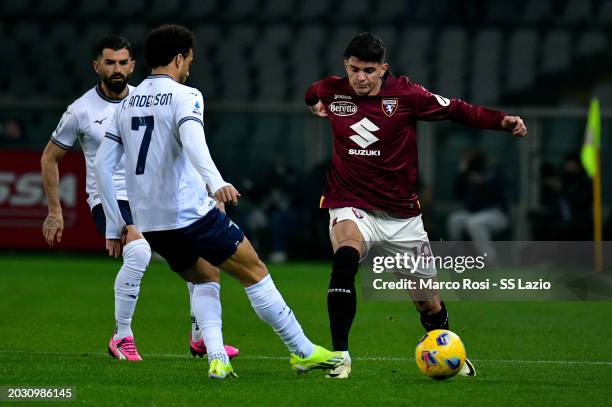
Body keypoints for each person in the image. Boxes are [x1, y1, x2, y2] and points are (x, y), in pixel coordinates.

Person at [94, 24, 344, 379]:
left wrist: (115, 224)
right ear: (179, 58)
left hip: (151, 224)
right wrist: (216, 182)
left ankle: (217, 358)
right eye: (189, 61)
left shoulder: (125, 104)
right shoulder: (186, 95)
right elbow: (193, 139)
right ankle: (302, 350)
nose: (189, 68)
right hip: (190, 214)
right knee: (255, 271)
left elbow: (102, 165)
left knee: (205, 276)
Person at [305, 32, 527, 379]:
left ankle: (449, 349)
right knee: (346, 254)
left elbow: (457, 110)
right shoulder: (331, 89)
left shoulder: (408, 95)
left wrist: (501, 120)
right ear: (344, 67)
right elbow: (313, 92)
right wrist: (314, 105)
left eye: (368, 70)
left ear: (383, 69)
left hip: (401, 214)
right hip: (349, 201)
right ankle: (340, 356)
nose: (360, 77)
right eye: (353, 69)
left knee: (428, 301)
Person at [40, 34, 238, 362]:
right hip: (108, 198)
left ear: (133, 65)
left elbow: (180, 146)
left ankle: (200, 338)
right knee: (139, 252)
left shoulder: (144, 100)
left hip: (147, 196)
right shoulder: (80, 110)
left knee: (199, 258)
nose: (117, 69)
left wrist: (206, 188)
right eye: (109, 62)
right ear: (96, 66)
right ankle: (121, 335)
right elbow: (49, 157)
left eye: (122, 62)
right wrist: (54, 212)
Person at [447, 150, 509, 262]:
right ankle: (460, 256)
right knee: (455, 220)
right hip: (475, 213)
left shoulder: (491, 172)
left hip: (497, 214)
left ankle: (490, 261)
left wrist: (482, 182)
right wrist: (462, 174)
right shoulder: (468, 175)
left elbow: (497, 195)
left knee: (475, 223)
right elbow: (458, 195)